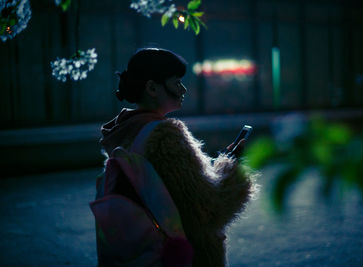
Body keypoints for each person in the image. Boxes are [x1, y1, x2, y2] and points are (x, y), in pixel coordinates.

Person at [97, 48, 254, 266]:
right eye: (176, 82)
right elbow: (206, 211)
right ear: (152, 88)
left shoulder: (125, 132)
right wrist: (234, 167)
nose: (184, 89)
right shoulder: (165, 137)